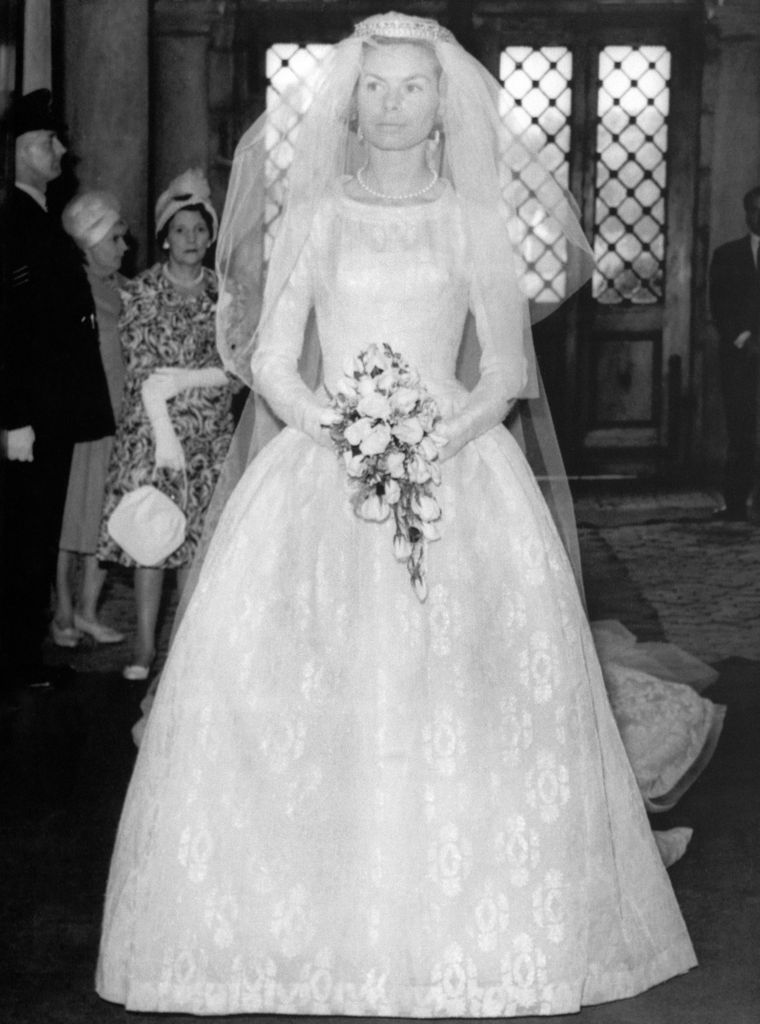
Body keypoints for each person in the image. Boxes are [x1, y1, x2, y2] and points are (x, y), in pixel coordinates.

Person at [97, 15, 698, 1016]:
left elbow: (503, 370)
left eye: (411, 88)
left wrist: (431, 435)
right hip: (321, 470)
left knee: (459, 696)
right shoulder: (311, 218)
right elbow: (272, 361)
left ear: (443, 105)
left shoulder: (473, 220)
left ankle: (455, 926)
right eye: (372, 87)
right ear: (349, 100)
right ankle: (300, 923)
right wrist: (340, 428)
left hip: (455, 471)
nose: (389, 104)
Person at [96, 169, 236, 680]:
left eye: (200, 230)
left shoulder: (224, 296)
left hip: (207, 435)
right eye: (181, 231)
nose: (191, 240)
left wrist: (194, 378)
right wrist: (163, 429)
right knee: (151, 541)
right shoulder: (141, 293)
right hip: (154, 437)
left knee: (195, 543)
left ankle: (184, 648)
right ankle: (143, 646)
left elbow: (238, 366)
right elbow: (140, 366)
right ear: (164, 237)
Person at [0, 90, 114, 703]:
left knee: (35, 537)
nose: (60, 151)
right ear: (20, 151)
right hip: (30, 420)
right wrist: (13, 417)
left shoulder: (41, 214)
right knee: (21, 538)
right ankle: (15, 660)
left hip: (48, 413)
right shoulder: (13, 220)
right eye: (49, 143)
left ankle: (24, 651)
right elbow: (10, 330)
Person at [51, 192, 130, 648]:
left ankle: (87, 609)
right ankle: (62, 608)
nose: (123, 247)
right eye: (115, 239)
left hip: (118, 419)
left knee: (103, 517)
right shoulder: (70, 284)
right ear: (92, 241)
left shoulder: (122, 285)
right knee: (67, 518)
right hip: (79, 419)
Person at [708, 185, 760, 522]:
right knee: (741, 429)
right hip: (740, 358)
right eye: (755, 209)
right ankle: (736, 503)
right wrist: (746, 338)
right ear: (746, 214)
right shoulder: (727, 256)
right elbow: (720, 306)